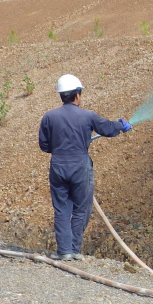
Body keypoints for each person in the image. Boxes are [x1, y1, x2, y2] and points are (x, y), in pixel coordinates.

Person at [38, 74, 132, 261]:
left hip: (58, 166)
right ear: (77, 95)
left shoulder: (49, 117)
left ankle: (64, 251)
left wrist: (60, 147)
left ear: (61, 95)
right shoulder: (88, 116)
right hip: (80, 166)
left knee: (62, 209)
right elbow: (107, 129)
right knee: (82, 208)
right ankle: (73, 249)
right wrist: (121, 125)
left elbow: (44, 145)